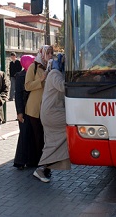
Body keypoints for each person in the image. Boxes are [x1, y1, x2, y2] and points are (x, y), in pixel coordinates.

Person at [33, 54, 69, 183]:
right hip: (53, 113)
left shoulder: (54, 73)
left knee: (52, 143)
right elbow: (63, 86)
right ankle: (42, 168)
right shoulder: (55, 73)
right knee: (74, 122)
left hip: (50, 113)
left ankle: (44, 169)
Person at [25, 45, 53, 167]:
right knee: (38, 135)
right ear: (42, 54)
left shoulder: (52, 68)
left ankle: (45, 160)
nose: (50, 56)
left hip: (48, 107)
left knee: (46, 135)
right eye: (48, 53)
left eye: (52, 53)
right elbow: (27, 86)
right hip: (35, 108)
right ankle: (39, 161)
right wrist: (41, 79)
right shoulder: (34, 67)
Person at [13, 54, 35, 169]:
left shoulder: (33, 74)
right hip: (24, 110)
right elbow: (18, 96)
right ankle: (20, 161)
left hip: (32, 109)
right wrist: (19, 112)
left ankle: (31, 160)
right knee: (24, 135)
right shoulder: (20, 76)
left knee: (31, 134)